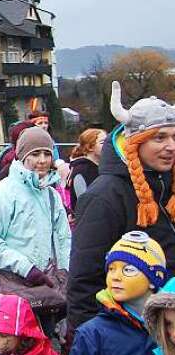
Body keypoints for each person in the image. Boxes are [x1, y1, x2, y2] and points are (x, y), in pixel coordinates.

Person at [67, 84, 175, 331]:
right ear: (134, 142)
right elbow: (84, 282)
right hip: (129, 334)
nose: (171, 146)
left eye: (174, 136)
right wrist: (91, 348)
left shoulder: (167, 185)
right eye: (160, 137)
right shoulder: (104, 196)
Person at [0, 127, 71, 318]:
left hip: (48, 285)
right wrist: (27, 269)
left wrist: (64, 270)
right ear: (21, 156)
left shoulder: (51, 195)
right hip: (14, 285)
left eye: (47, 153)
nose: (42, 160)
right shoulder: (2, 194)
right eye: (35, 154)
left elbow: (63, 238)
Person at [66, 128, 106, 212]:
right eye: (102, 142)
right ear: (90, 147)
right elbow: (84, 202)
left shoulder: (105, 168)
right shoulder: (81, 170)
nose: (107, 145)